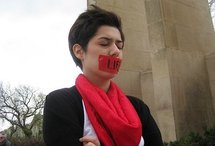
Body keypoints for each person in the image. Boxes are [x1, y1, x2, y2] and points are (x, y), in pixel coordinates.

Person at [43, 5, 164, 146]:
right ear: (79, 51)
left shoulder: (138, 107)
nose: (115, 51)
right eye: (104, 43)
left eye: (119, 46)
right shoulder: (61, 103)